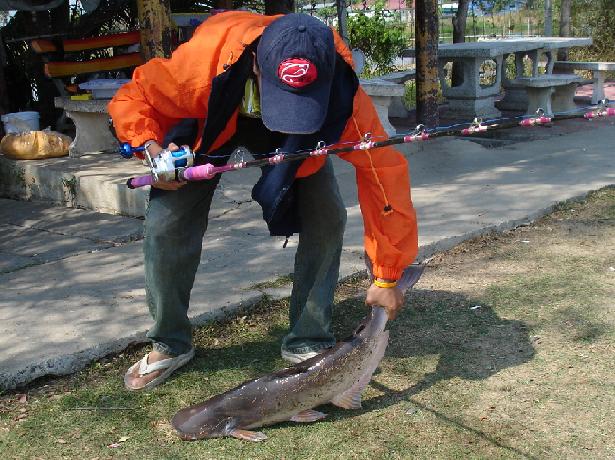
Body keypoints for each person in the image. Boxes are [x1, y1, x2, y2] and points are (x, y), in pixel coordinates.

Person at [108, 11, 418, 391]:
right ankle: (170, 342)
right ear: (255, 62)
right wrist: (152, 149)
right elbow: (133, 96)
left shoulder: (340, 89)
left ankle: (308, 339)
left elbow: (383, 172)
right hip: (212, 116)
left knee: (327, 215)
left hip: (300, 138)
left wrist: (388, 274)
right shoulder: (200, 65)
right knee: (166, 222)